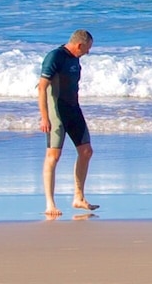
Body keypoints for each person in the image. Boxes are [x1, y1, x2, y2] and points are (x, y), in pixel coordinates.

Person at [38, 29, 98, 217]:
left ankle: (78, 197)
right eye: (87, 48)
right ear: (79, 45)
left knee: (86, 151)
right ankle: (50, 204)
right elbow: (42, 87)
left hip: (73, 109)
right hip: (56, 112)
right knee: (53, 156)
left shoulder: (75, 58)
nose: (88, 52)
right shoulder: (55, 57)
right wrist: (45, 117)